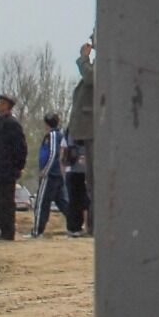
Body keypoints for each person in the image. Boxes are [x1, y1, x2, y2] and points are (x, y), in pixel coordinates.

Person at [0, 93, 27, 241]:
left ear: (5, 105)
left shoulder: (12, 124)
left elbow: (21, 148)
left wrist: (18, 167)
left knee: (6, 203)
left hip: (7, 171)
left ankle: (7, 233)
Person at [67, 38, 95, 235]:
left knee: (97, 182)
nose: (91, 40)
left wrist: (83, 59)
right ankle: (93, 227)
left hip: (97, 130)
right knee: (92, 183)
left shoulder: (107, 62)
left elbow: (92, 79)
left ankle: (96, 227)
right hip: (90, 131)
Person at [30, 113, 71, 237]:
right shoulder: (60, 135)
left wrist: (45, 171)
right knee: (63, 203)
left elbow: (53, 153)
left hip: (50, 175)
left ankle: (37, 231)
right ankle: (75, 225)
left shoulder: (53, 135)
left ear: (47, 123)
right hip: (57, 175)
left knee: (42, 203)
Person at [62, 136, 90, 237]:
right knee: (77, 201)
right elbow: (66, 152)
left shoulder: (71, 134)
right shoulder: (73, 135)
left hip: (78, 171)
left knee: (79, 201)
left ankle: (76, 227)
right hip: (76, 171)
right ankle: (74, 228)